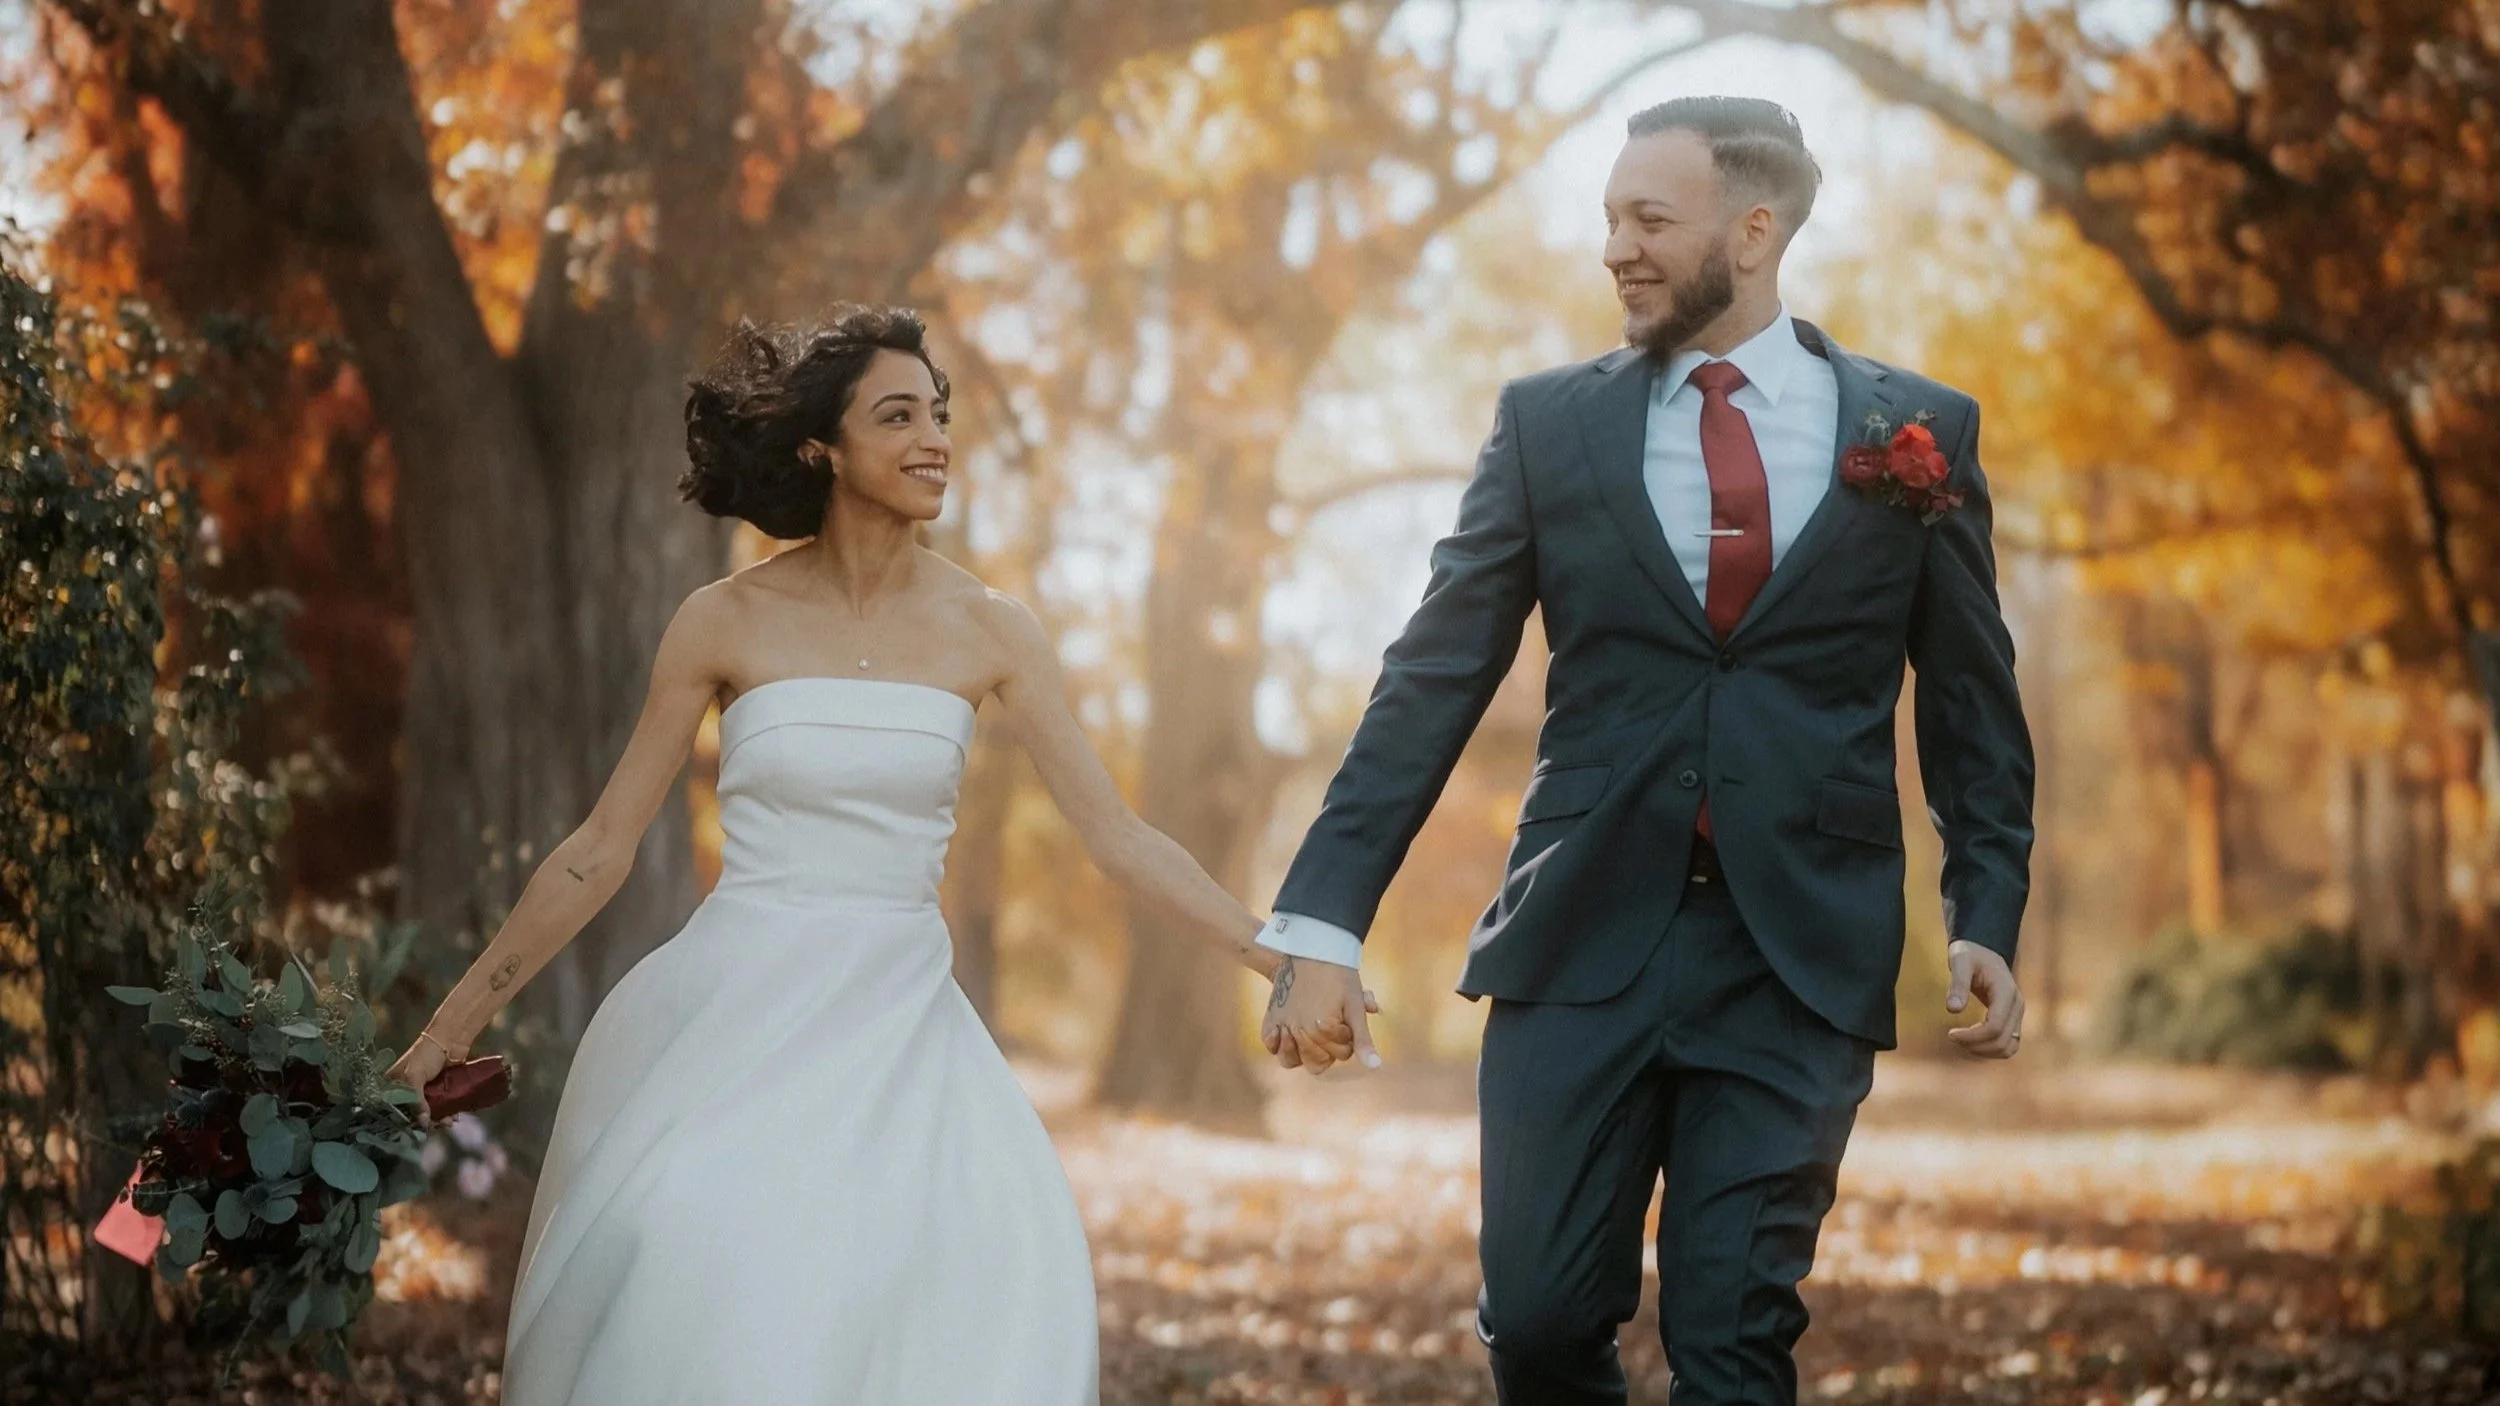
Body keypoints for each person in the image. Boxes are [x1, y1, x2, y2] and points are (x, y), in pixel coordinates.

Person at [386, 305, 1347, 1404]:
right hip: (733, 1012)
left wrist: (1275, 954)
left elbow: (1118, 837)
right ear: (821, 448)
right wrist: (444, 1031)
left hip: (900, 1024)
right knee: (693, 1262)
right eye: (898, 416)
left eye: (939, 413)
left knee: (947, 1289)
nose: (934, 436)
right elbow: (596, 852)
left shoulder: (993, 630)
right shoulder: (720, 620)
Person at [1255, 97, 2035, 1405]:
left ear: (1756, 226)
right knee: (1543, 1326)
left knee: (1736, 1344)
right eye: (1608, 218)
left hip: (1800, 951)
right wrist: (1324, 918)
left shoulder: (1920, 434)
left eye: (1648, 219)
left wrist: (1987, 910)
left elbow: (1971, 703)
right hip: (1577, 941)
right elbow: (1431, 679)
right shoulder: (1550, 425)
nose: (1615, 247)